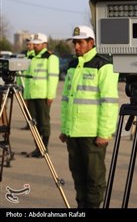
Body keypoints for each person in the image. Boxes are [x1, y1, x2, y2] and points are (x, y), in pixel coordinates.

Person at [59, 25, 119, 208]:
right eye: (74, 43)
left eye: (80, 43)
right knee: (78, 175)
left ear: (91, 43)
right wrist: (64, 129)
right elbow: (66, 101)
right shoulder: (72, 65)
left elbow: (109, 101)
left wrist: (105, 132)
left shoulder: (104, 65)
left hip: (92, 134)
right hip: (73, 133)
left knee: (95, 178)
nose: (76, 47)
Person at [24, 33, 59, 158]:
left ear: (44, 44)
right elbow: (27, 79)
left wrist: (50, 95)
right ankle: (37, 148)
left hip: (43, 96)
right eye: (35, 43)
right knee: (34, 124)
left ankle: (43, 149)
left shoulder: (50, 58)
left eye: (38, 44)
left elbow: (53, 78)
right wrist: (26, 96)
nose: (35, 46)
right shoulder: (31, 57)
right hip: (31, 95)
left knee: (44, 123)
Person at [18, 34, 35, 130]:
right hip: (22, 84)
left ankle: (33, 124)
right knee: (25, 106)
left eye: (30, 44)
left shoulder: (35, 56)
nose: (28, 46)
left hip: (29, 85)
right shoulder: (23, 54)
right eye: (27, 44)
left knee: (31, 107)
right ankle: (28, 123)